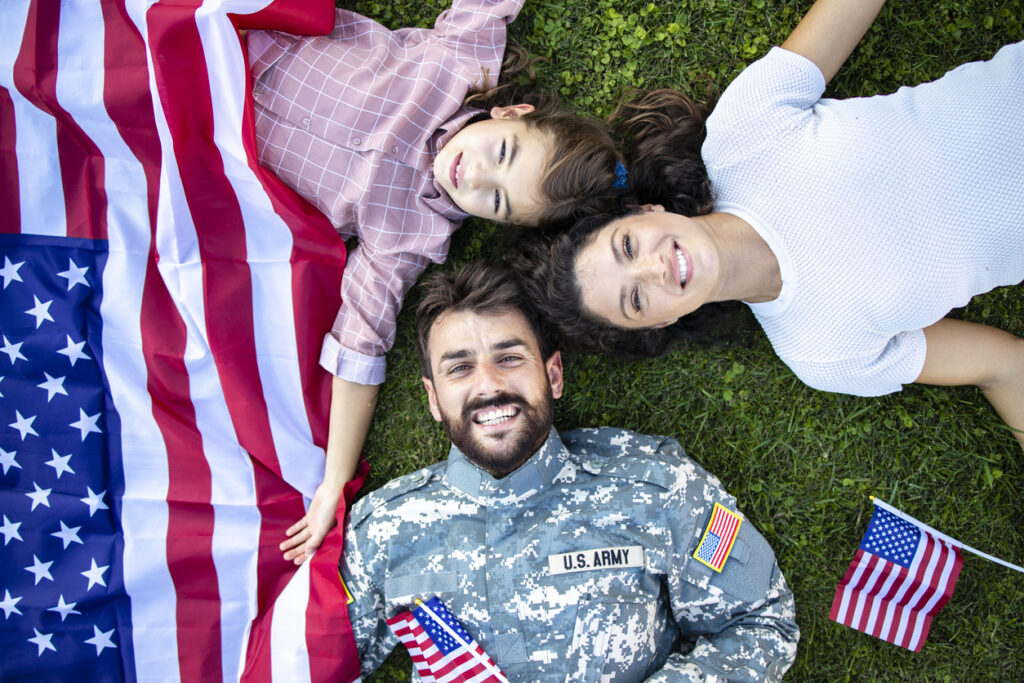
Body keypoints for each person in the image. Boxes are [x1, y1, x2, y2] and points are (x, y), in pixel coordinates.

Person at [526, 0, 1024, 451]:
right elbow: (1005, 367)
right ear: (661, 323)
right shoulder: (822, 353)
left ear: (645, 211)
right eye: (635, 300)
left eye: (628, 247)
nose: (653, 269)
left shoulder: (740, 136)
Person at [246, 1, 621, 562]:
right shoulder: (459, 62)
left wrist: (332, 484)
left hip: (200, 128)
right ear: (511, 113)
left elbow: (360, 341)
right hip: (244, 28)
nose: (476, 176)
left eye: (496, 200)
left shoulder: (411, 234)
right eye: (502, 152)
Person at [338, 261, 799, 681]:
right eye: (459, 368)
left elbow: (760, 620)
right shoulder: (382, 531)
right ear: (434, 399)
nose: (489, 385)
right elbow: (313, 663)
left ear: (554, 375)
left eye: (509, 357)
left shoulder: (657, 487)